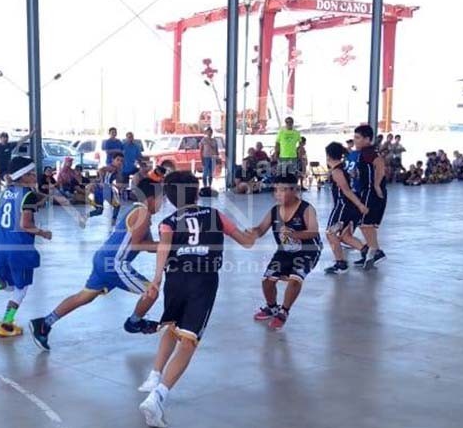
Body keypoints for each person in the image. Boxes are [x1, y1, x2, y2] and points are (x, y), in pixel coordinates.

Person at [137, 171, 256, 428]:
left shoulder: (168, 221)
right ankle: (157, 397)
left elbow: (163, 250)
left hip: (175, 278)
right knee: (189, 341)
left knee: (170, 325)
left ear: (169, 198)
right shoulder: (215, 216)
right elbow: (246, 242)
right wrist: (256, 232)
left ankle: (155, 374)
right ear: (197, 190)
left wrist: (156, 281)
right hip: (203, 279)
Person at [28, 178, 164, 352]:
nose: (162, 204)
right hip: (113, 263)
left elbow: (149, 246)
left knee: (84, 296)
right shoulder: (142, 213)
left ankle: (44, 323)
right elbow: (137, 245)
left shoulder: (140, 212)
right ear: (152, 198)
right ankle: (134, 323)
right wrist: (167, 245)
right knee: (151, 291)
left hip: (103, 259)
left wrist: (167, 243)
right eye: (161, 199)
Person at [0, 156, 52, 337]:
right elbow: (25, 224)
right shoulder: (27, 195)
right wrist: (43, 233)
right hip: (19, 248)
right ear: (23, 176)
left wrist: (4, 229)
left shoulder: (3, 193)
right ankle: (6, 323)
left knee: (9, 283)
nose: (34, 176)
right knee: (21, 289)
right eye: (31, 173)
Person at [251, 173, 322, 330]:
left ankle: (284, 311)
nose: (278, 194)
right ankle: (272, 307)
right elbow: (261, 229)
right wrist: (251, 232)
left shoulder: (306, 209)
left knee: (295, 279)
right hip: (284, 251)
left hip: (307, 250)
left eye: (283, 190)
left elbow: (313, 232)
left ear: (295, 190)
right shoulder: (275, 211)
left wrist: (294, 234)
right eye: (276, 190)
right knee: (267, 281)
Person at [322, 142, 369, 275]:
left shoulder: (337, 171)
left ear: (328, 156)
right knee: (345, 236)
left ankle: (340, 264)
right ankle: (368, 252)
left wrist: (360, 205)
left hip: (343, 207)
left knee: (331, 234)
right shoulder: (343, 168)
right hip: (349, 207)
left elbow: (347, 191)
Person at [352, 125, 387, 270]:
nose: (355, 140)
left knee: (364, 222)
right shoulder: (363, 153)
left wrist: (377, 185)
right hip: (366, 190)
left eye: (358, 138)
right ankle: (372, 253)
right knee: (366, 223)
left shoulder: (369, 152)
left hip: (370, 192)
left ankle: (376, 251)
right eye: (355, 137)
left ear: (367, 139)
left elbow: (380, 165)